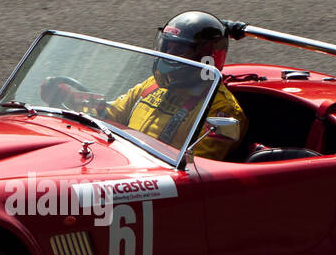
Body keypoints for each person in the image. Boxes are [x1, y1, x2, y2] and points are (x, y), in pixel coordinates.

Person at [43, 11, 248, 160]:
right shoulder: (152, 85)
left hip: (167, 187)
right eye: (167, 48)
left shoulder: (221, 110)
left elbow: (200, 169)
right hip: (121, 162)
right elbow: (110, 116)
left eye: (178, 50)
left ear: (206, 58)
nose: (168, 56)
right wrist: (71, 101)